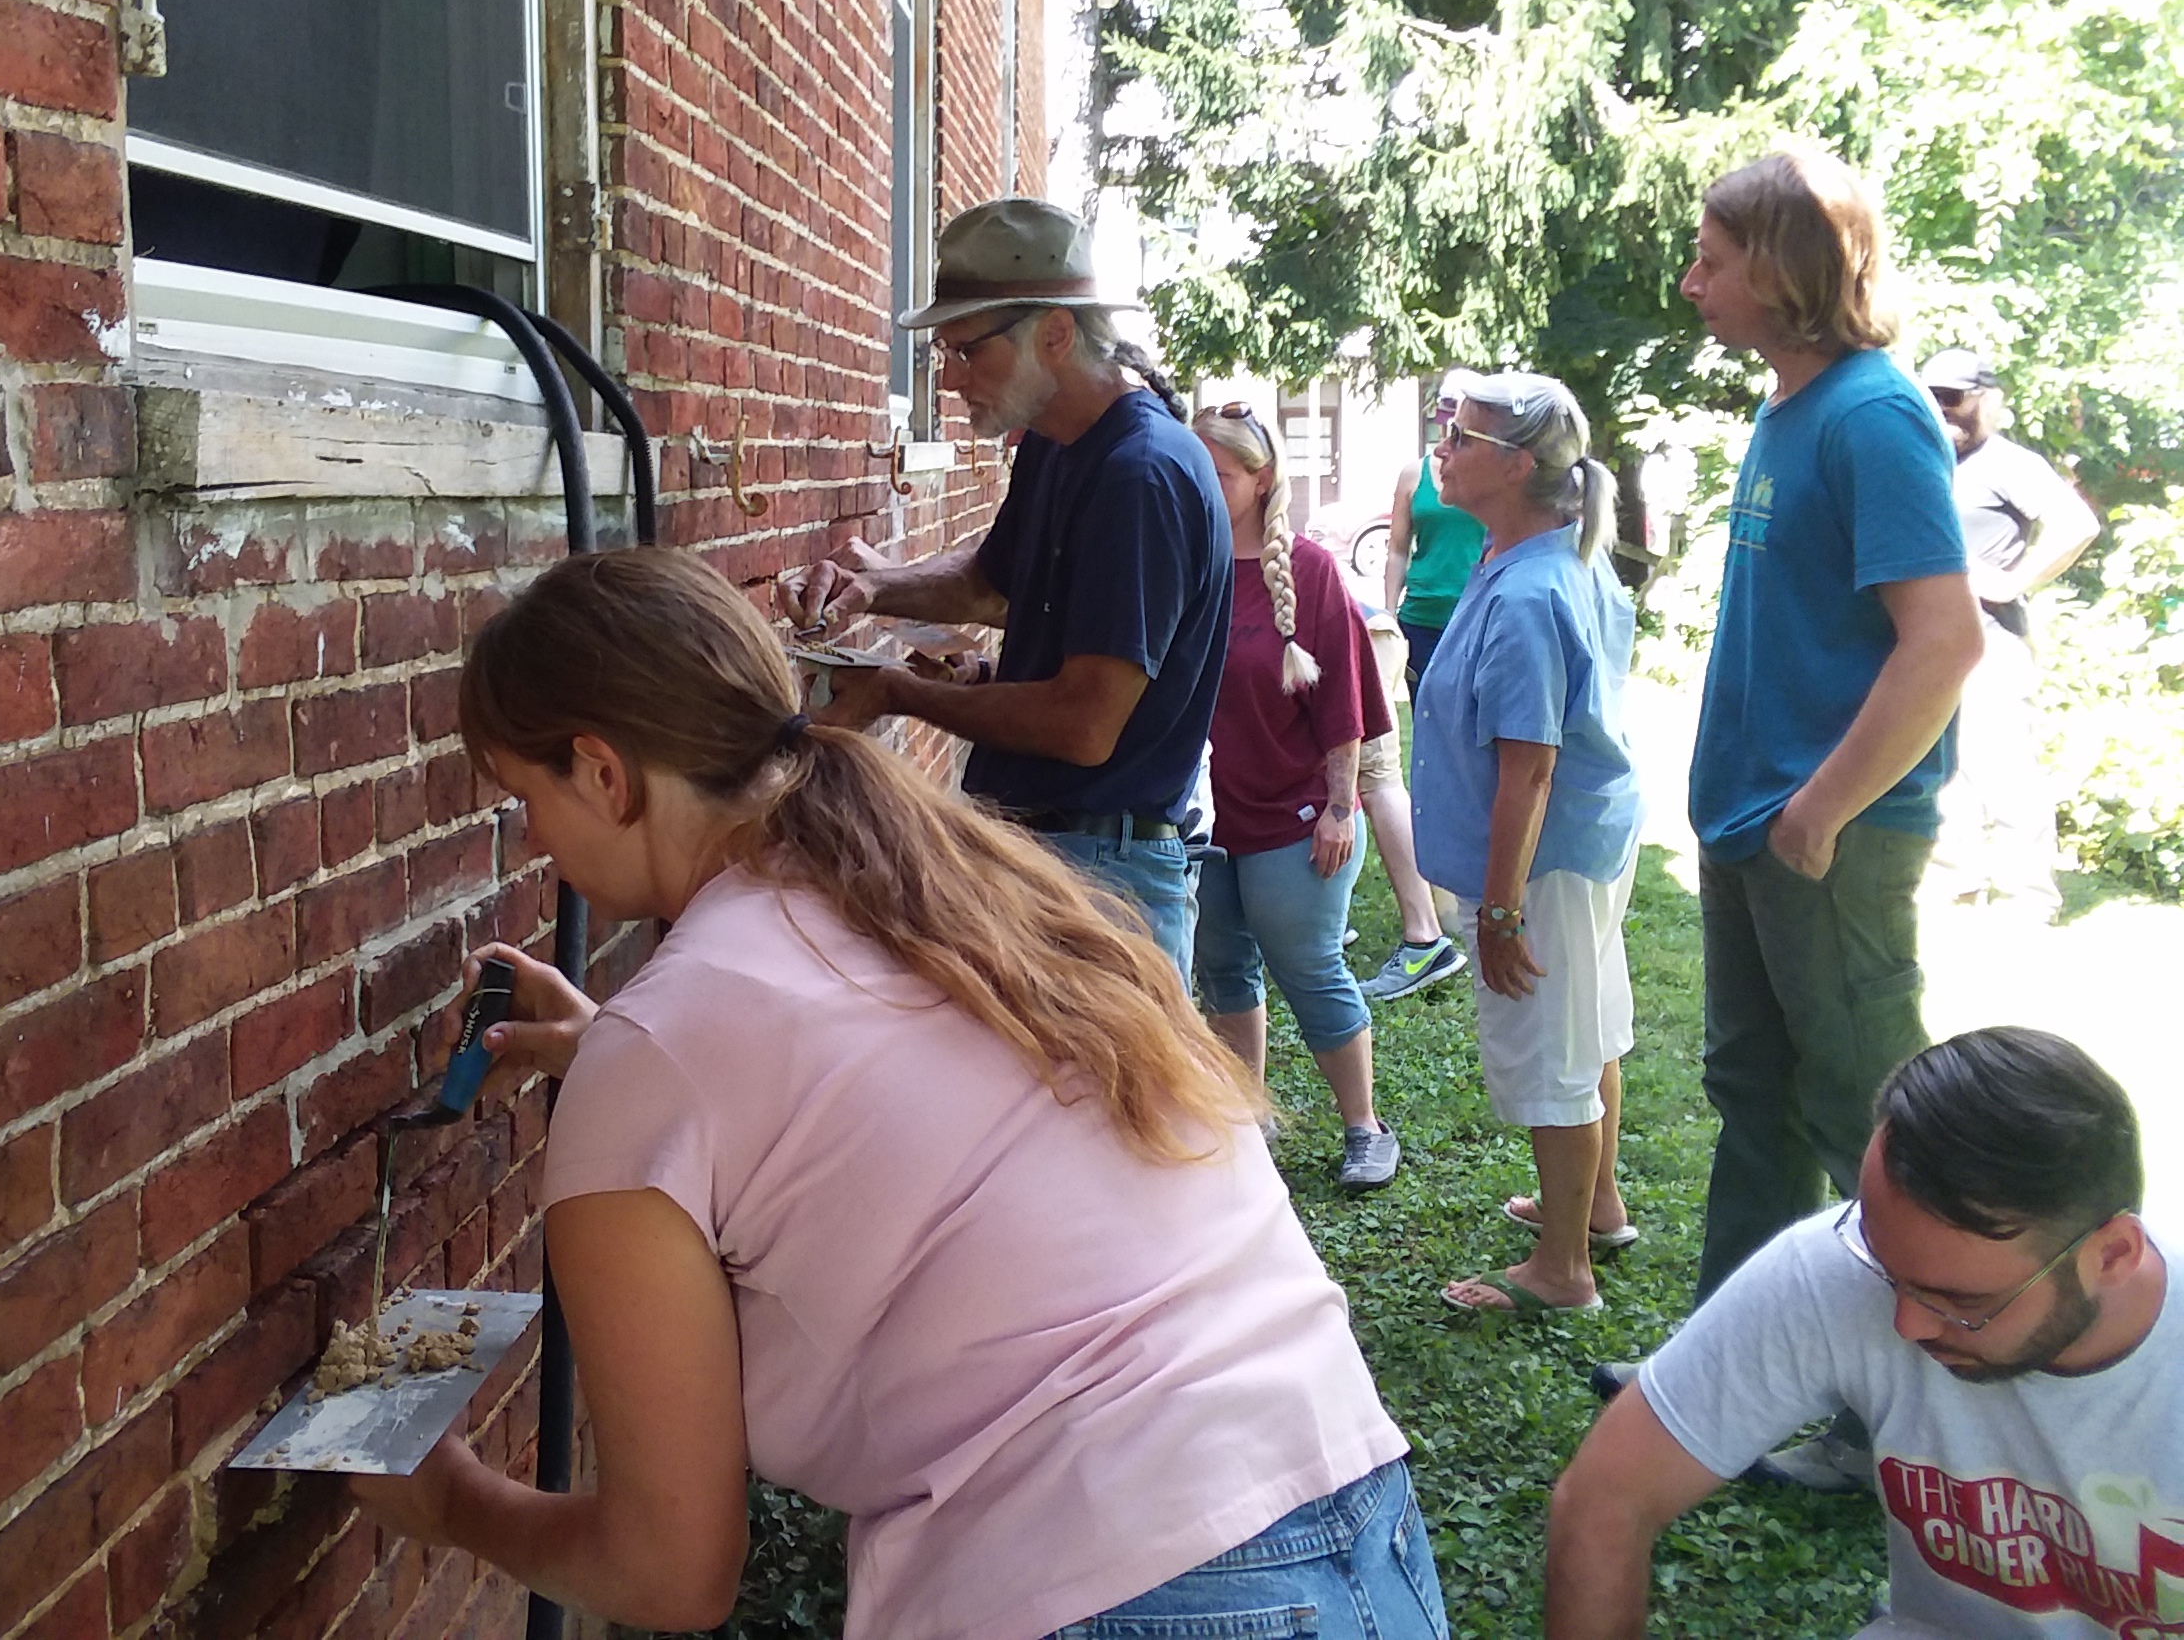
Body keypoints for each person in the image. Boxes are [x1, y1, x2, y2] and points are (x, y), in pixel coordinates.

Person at [350, 548, 1446, 1640]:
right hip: (1354, 1517)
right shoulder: (949, 883)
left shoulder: (665, 1056)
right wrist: (623, 1067)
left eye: (523, 798)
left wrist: (450, 1501)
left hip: (1112, 1587)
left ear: (601, 771)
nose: (533, 841)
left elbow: (668, 1573)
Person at [1642, 147, 1985, 1486]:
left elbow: (1943, 642)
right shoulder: (1790, 413)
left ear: (1784, 268)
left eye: (1715, 259)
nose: (1694, 283)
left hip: (1825, 839)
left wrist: (1821, 812)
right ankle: (1716, 1390)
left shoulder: (1872, 414)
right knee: (1757, 1103)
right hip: (1752, 829)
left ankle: (1886, 1425)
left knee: (1871, 1129)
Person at [1546, 1028, 2171, 1640]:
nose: (1906, 1323)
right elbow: (1608, 1495)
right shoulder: (1846, 1264)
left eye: (1962, 1302)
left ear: (2112, 1255)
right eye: (1885, 1268)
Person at [786, 199, 1230, 978]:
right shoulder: (1060, 446)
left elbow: (1085, 724)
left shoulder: (1141, 474)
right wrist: (871, 587)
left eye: (968, 352)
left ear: (1056, 334)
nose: (952, 379)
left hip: (1104, 876)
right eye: (944, 356)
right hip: (1053, 852)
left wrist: (893, 691)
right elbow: (989, 587)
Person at [1405, 374, 1644, 1316]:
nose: (1442, 450)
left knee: (1552, 1051)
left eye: (1458, 438)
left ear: (1512, 466)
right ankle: (1596, 1208)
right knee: (1591, 1026)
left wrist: (1500, 912)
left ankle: (1562, 1271)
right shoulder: (1541, 558)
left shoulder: (1533, 590)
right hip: (1584, 847)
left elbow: (1529, 770)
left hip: (1546, 862)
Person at [1190, 402, 1403, 1189]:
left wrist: (1343, 808)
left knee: (1306, 964)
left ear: (1261, 479)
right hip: (1205, 812)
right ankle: (1248, 1123)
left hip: (1298, 812)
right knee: (1223, 966)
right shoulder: (1184, 562)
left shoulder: (1308, 571)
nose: (1206, 489)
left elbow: (1345, 706)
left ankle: (1365, 1127)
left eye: (1221, 476)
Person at [1919, 347, 2101, 912]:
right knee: (1939, 765)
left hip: (1990, 640)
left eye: (1954, 397)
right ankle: (1957, 885)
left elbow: (2077, 524)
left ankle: (2029, 897)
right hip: (1924, 641)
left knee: (2003, 767)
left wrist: (2012, 581)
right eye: (1933, 395)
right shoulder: (1924, 456)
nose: (1942, 408)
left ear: (1987, 401)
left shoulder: (2008, 463)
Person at [1361, 373, 1482, 1001]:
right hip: (1423, 624)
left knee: (1478, 747)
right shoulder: (1415, 475)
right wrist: (1386, 614)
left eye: (1456, 410)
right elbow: (1399, 550)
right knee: (1428, 750)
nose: (1445, 418)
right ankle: (1440, 886)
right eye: (1440, 407)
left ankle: (1476, 882)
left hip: (1480, 619)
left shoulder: (1485, 469)